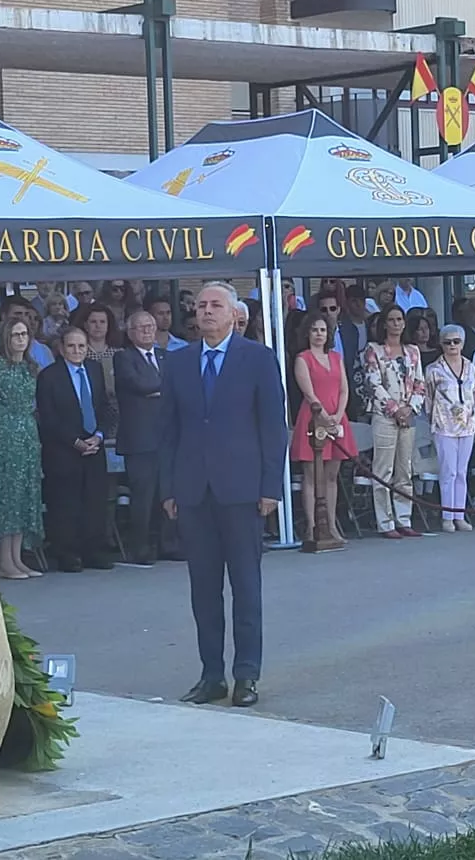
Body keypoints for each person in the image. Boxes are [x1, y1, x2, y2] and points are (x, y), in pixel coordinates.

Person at [160, 282, 290, 709]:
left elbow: (273, 427)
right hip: (194, 492)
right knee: (204, 591)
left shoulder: (258, 359)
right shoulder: (178, 362)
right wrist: (169, 488)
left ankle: (246, 674)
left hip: (242, 490)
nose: (207, 311)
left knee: (246, 587)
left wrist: (271, 487)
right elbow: (169, 431)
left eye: (216, 305)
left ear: (235, 314)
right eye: (201, 306)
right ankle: (211, 675)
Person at [36, 328, 117, 572]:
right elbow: (48, 416)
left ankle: (94, 551)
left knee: (95, 501)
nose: (77, 351)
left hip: (94, 446)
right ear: (62, 348)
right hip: (63, 451)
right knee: (66, 504)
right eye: (71, 346)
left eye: (81, 346)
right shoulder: (49, 376)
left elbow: (104, 406)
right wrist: (74, 441)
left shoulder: (94, 369)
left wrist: (99, 436)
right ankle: (67, 554)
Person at [0, 318, 45, 580]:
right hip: (5, 431)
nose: (21, 339)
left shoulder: (30, 368)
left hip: (27, 431)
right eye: (16, 334)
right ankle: (5, 561)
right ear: (6, 338)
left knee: (24, 495)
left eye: (24, 334)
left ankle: (17, 558)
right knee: (7, 496)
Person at [292, 312, 357, 551]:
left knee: (331, 476)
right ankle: (312, 526)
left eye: (322, 330)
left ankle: (331, 525)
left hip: (337, 419)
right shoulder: (303, 359)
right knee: (312, 475)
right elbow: (308, 393)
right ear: (307, 333)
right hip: (313, 418)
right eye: (314, 330)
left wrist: (338, 415)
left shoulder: (336, 357)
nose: (319, 334)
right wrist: (324, 416)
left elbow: (344, 389)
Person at [363, 306, 426, 539]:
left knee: (404, 469)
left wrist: (410, 408)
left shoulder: (413, 351)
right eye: (392, 320)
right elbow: (373, 384)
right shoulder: (374, 350)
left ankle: (404, 518)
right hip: (385, 415)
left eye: (400, 319)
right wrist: (395, 410)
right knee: (384, 469)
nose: (396, 324)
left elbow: (419, 383)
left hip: (408, 414)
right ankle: (385, 521)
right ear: (384, 323)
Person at [115, 310, 173, 564]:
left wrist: (157, 390)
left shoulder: (166, 356)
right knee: (143, 497)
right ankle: (140, 548)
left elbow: (177, 386)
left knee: (167, 493)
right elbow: (140, 385)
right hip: (140, 440)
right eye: (141, 327)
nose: (148, 330)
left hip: (166, 438)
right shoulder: (123, 358)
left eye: (151, 325)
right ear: (130, 333)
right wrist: (161, 387)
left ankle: (167, 544)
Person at [427, 324, 475, 533]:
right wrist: (434, 419)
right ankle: (447, 516)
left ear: (462, 343)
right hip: (443, 425)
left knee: (461, 472)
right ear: (441, 344)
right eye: (447, 342)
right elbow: (428, 398)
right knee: (447, 471)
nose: (452, 345)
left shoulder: (471, 367)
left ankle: (460, 515)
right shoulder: (433, 370)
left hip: (466, 425)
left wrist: (469, 414)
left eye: (456, 341)